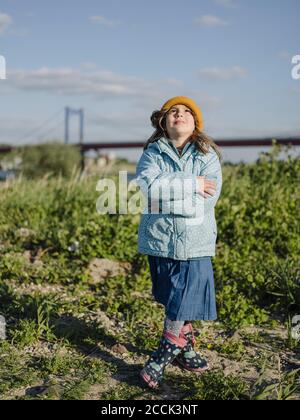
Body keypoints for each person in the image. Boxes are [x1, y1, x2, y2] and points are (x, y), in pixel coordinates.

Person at [135, 96, 222, 389]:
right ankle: (187, 351)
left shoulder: (207, 155)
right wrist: (192, 184)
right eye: (174, 111)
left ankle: (163, 354)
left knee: (182, 297)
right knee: (173, 297)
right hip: (161, 240)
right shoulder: (152, 153)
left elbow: (204, 202)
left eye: (187, 112)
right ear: (163, 121)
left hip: (196, 241)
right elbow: (148, 188)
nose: (180, 115)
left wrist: (168, 195)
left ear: (195, 123)